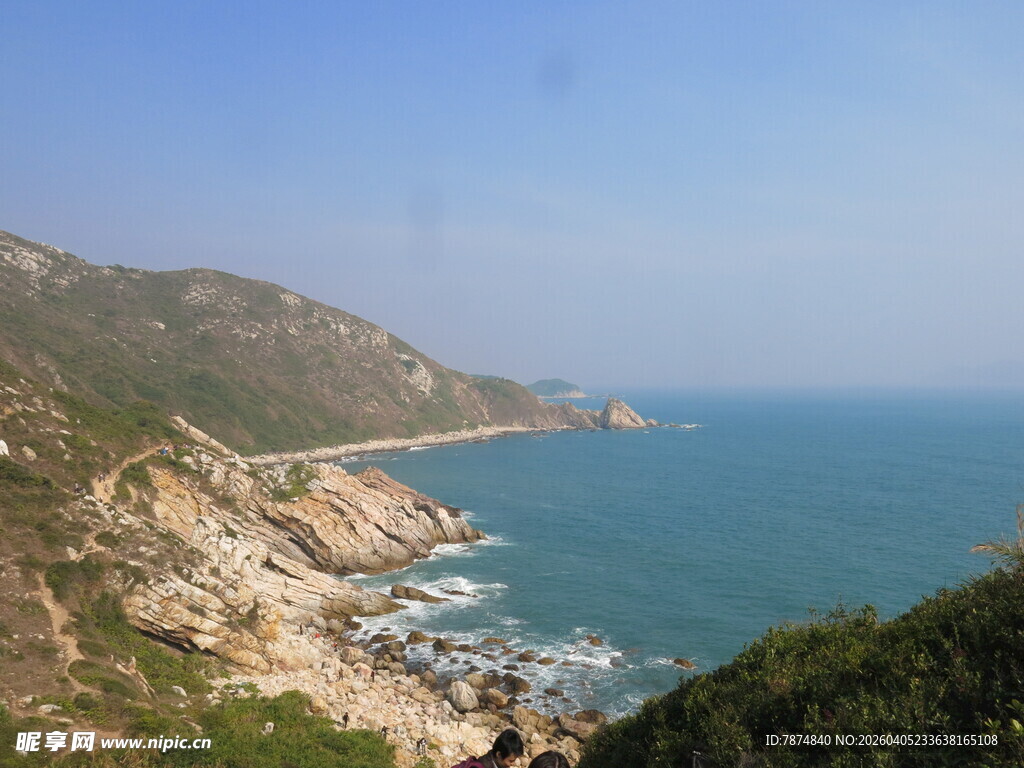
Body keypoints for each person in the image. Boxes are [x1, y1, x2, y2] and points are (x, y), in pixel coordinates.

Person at [451, 729, 524, 768]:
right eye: (511, 761)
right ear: (499, 754)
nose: (513, 764)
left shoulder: (499, 765)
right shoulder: (479, 767)